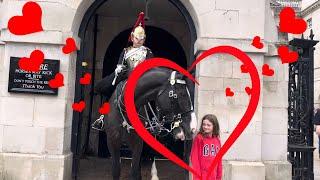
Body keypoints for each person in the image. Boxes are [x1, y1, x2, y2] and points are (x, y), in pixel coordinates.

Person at [92, 12, 153, 130]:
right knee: (112, 88)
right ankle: (102, 118)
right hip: (126, 76)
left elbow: (151, 66)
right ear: (132, 37)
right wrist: (119, 68)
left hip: (142, 79)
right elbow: (120, 63)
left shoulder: (148, 52)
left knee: (153, 92)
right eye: (137, 38)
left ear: (144, 39)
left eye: (141, 39)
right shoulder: (126, 51)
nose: (139, 41)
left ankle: (151, 120)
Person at [190, 114, 222, 180]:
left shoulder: (217, 140)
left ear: (214, 126)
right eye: (204, 124)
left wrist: (219, 176)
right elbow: (195, 159)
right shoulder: (199, 138)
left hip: (213, 176)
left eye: (208, 125)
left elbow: (219, 161)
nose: (205, 127)